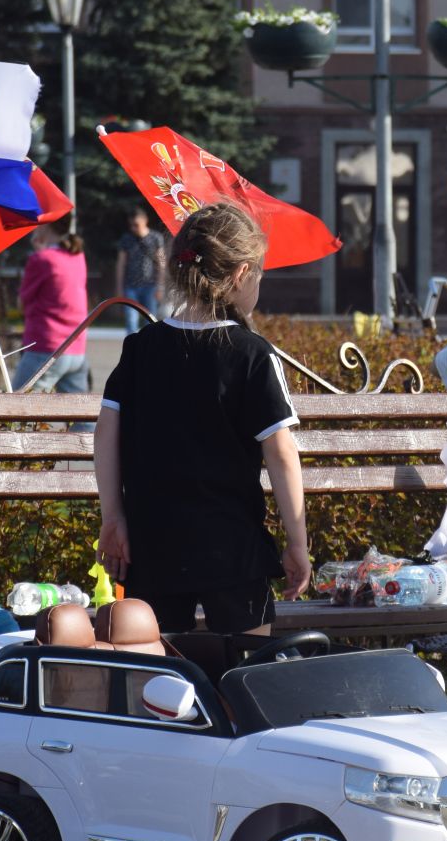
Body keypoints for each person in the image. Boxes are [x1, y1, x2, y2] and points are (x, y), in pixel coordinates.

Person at [95, 202, 308, 637]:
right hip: (231, 546)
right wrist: (297, 543)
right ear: (241, 275)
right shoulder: (252, 354)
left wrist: (113, 516)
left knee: (157, 671)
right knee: (244, 674)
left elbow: (105, 433)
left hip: (152, 543)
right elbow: (282, 454)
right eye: (260, 275)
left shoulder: (140, 348)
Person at [12, 223, 91, 397]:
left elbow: (21, 304)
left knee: (13, 412)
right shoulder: (77, 256)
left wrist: (40, 254)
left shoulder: (40, 259)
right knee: (81, 420)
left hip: (45, 348)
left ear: (46, 226)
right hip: (76, 347)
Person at [112, 206, 166, 333]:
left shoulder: (156, 238)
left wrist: (160, 286)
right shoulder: (126, 239)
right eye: (131, 225)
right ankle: (132, 349)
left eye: (136, 224)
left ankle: (148, 349)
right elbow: (120, 264)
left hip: (151, 287)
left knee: (151, 322)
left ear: (144, 220)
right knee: (131, 321)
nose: (133, 228)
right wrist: (119, 288)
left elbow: (162, 262)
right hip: (131, 287)